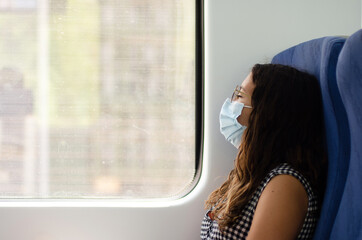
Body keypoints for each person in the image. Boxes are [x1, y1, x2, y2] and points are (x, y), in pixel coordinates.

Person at [201, 64, 328, 240]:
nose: (231, 103)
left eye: (239, 95)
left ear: (266, 114)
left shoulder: (284, 184)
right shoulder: (252, 174)